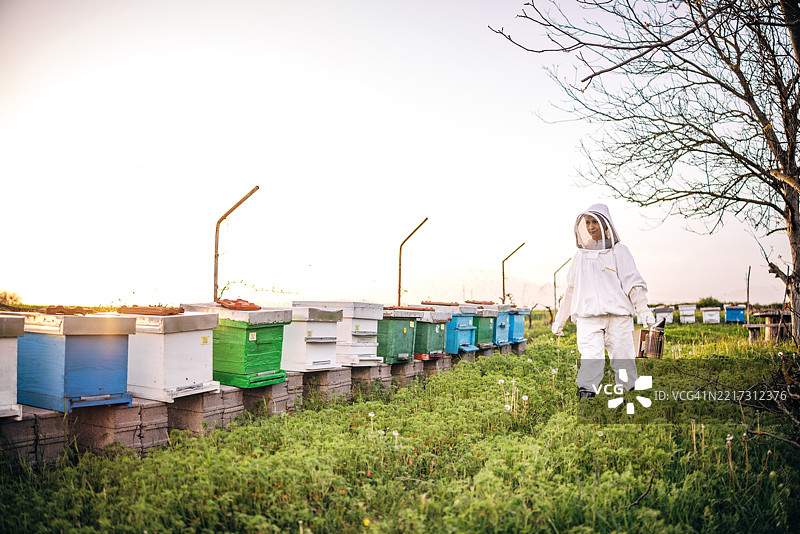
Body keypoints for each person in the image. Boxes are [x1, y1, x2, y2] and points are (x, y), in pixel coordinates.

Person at [551, 204, 655, 398]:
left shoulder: (619, 252)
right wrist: (560, 320)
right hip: (588, 317)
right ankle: (587, 399)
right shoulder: (579, 257)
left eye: (594, 222)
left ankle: (627, 398)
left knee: (623, 358)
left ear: (605, 224)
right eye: (587, 223)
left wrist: (643, 309)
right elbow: (571, 290)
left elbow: (632, 282)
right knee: (591, 358)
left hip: (618, 317)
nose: (590, 227)